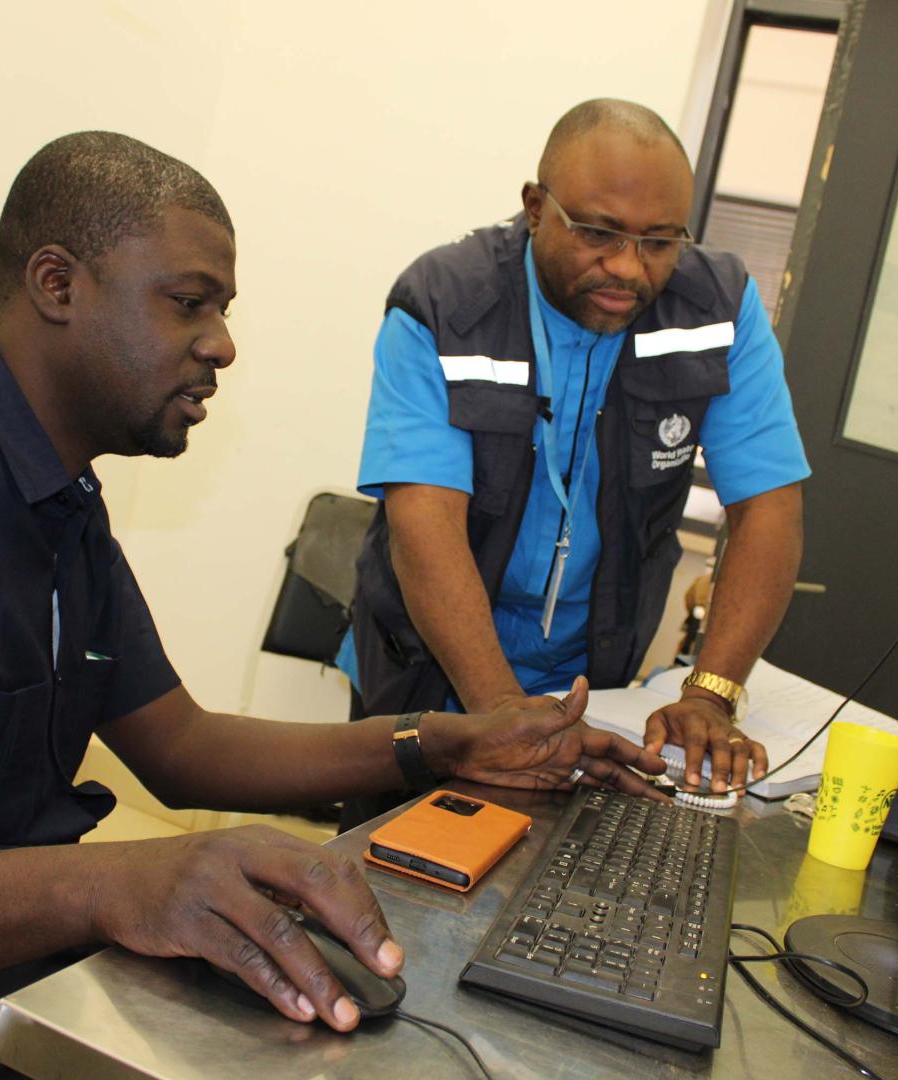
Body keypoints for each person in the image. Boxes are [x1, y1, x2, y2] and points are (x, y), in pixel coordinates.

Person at [0, 131, 671, 1080]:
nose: (221, 344)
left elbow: (180, 744)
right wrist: (103, 885)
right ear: (57, 284)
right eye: (189, 302)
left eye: (222, 310)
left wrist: (442, 744)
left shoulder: (52, 500)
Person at [339, 99, 808, 830]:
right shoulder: (441, 302)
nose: (628, 266)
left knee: (549, 893)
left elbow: (767, 505)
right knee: (397, 879)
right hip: (431, 673)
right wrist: (501, 715)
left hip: (595, 679)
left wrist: (710, 691)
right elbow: (423, 523)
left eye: (659, 241)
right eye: (598, 233)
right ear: (535, 207)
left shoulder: (720, 309)